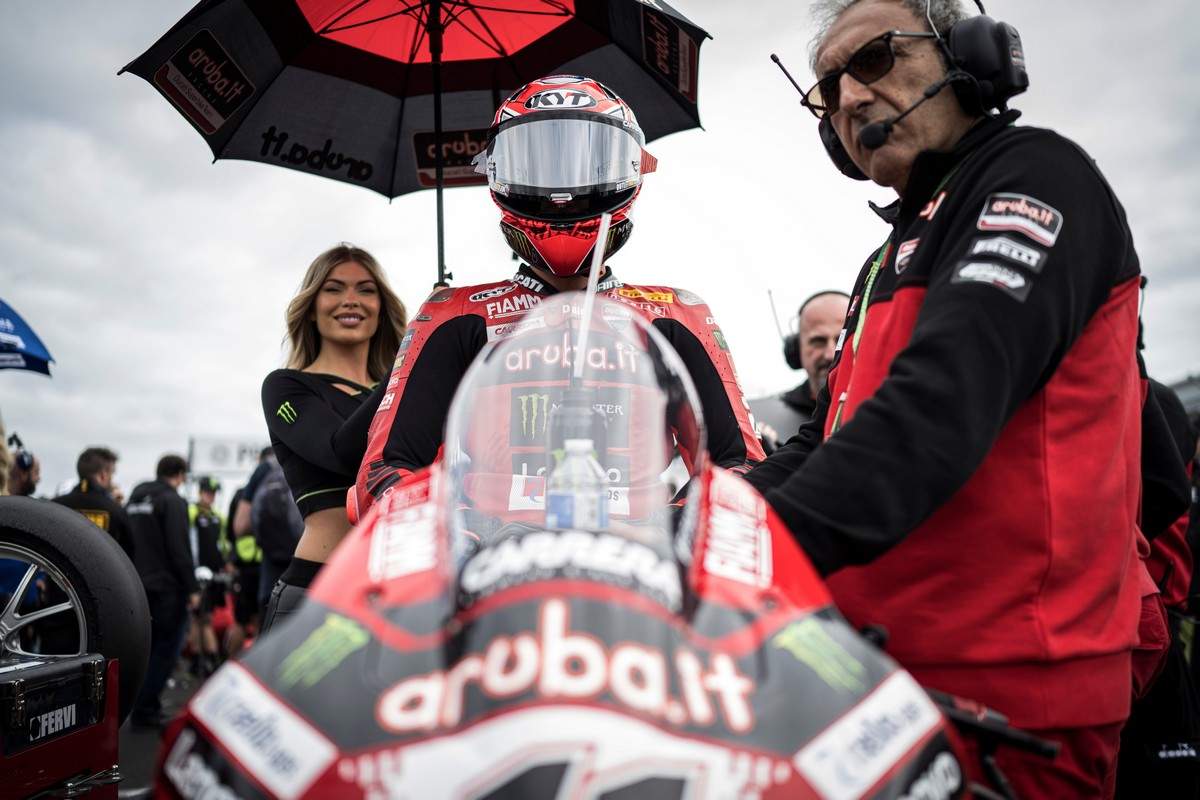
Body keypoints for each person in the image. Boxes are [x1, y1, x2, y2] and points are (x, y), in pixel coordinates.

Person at [743, 1, 1158, 795]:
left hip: (1006, 702)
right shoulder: (882, 259)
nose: (850, 100)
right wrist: (696, 520)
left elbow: (936, 410)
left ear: (969, 52)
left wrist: (740, 558)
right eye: (827, 90)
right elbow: (828, 441)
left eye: (872, 61)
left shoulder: (1037, 173)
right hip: (866, 679)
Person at [351, 75, 764, 536]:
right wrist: (458, 539)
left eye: (583, 163)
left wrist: (669, 526)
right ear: (496, 171)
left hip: (645, 556)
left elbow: (740, 464)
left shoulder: (675, 312)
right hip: (488, 558)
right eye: (540, 163)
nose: (561, 187)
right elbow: (384, 472)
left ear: (632, 167)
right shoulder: (457, 313)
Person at [258, 244, 407, 635]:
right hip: (317, 592)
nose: (351, 301)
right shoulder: (285, 387)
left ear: (382, 305)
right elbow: (342, 453)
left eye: (366, 289)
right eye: (334, 288)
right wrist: (410, 360)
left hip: (403, 591)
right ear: (311, 305)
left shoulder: (403, 389)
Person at [126, 454, 197, 728]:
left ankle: (141, 705)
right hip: (167, 588)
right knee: (165, 650)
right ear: (179, 474)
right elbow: (180, 549)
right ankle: (145, 710)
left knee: (145, 649)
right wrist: (192, 588)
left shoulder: (136, 496)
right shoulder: (173, 500)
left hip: (136, 584)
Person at [750, 290, 850, 452]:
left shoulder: (888, 407)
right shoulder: (756, 419)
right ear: (796, 350)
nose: (831, 354)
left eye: (841, 340)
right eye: (818, 341)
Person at [52, 446, 135, 557]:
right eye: (112, 474)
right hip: (103, 573)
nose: (111, 479)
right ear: (103, 475)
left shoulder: (54, 507)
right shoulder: (116, 511)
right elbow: (129, 555)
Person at [185, 476, 226, 678]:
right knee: (202, 618)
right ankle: (211, 658)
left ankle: (198, 660)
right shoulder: (192, 513)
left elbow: (221, 545)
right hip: (197, 574)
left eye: (213, 493)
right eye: (207, 492)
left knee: (201, 618)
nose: (211, 497)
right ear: (200, 492)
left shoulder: (218, 516)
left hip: (214, 574)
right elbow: (188, 544)